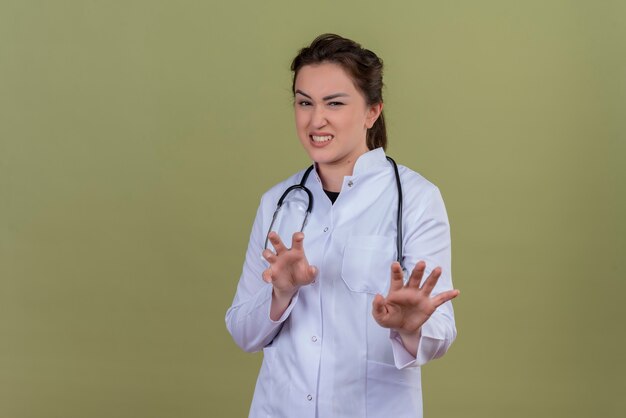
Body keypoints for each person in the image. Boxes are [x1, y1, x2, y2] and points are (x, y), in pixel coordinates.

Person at [225, 33, 459, 418]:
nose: (316, 119)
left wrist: (411, 327)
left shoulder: (416, 199)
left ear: (372, 112)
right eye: (305, 102)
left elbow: (440, 332)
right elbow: (242, 332)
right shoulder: (278, 202)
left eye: (334, 103)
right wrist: (279, 294)